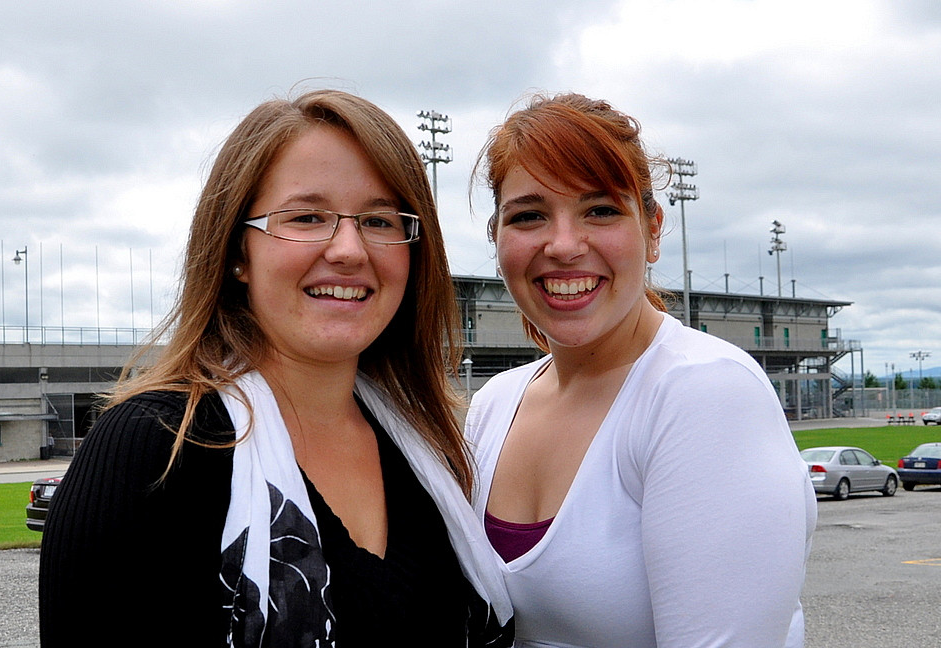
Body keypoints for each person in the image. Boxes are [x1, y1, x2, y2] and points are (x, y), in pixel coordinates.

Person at [40, 89, 513, 647]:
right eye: (308, 217)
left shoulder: (426, 447)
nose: (349, 249)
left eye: (379, 220)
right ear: (238, 251)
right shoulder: (155, 447)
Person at [465, 93, 816, 647]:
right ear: (497, 238)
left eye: (600, 210)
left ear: (653, 230)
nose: (562, 245)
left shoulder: (703, 391)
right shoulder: (492, 405)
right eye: (529, 215)